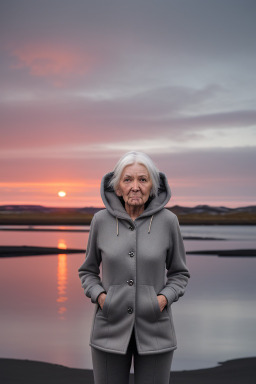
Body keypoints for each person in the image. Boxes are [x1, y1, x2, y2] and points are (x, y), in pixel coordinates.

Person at [78, 151, 190, 384]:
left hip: (155, 330)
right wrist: (101, 298)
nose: (135, 187)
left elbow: (179, 274)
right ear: (117, 187)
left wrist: (161, 300)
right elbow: (88, 271)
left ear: (153, 186)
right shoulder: (100, 221)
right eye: (128, 180)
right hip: (108, 328)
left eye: (143, 179)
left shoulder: (169, 221)